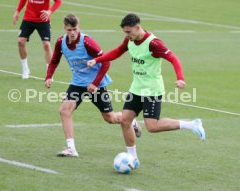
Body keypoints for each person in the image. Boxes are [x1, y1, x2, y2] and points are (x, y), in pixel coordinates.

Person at [87, 13, 206, 168]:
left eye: (129, 32)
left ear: (138, 27)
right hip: (136, 88)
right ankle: (133, 159)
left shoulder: (153, 44)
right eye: (125, 32)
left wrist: (180, 77)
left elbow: (173, 58)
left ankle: (192, 125)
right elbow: (117, 52)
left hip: (152, 91)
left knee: (152, 126)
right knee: (125, 121)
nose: (127, 35)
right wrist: (97, 60)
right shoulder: (129, 40)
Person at [44, 14, 141, 157]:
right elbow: (54, 61)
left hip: (96, 83)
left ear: (79, 27)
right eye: (69, 30)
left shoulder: (87, 42)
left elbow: (106, 62)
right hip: (77, 83)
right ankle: (71, 148)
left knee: (110, 118)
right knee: (64, 110)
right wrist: (49, 76)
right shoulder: (60, 42)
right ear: (64, 28)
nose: (72, 33)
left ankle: (130, 121)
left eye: (75, 29)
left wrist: (95, 83)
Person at [13, 0, 62, 79]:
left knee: (46, 45)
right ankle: (25, 70)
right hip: (28, 19)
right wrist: (17, 11)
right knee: (20, 42)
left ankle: (49, 74)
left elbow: (58, 1)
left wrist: (49, 12)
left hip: (43, 20)